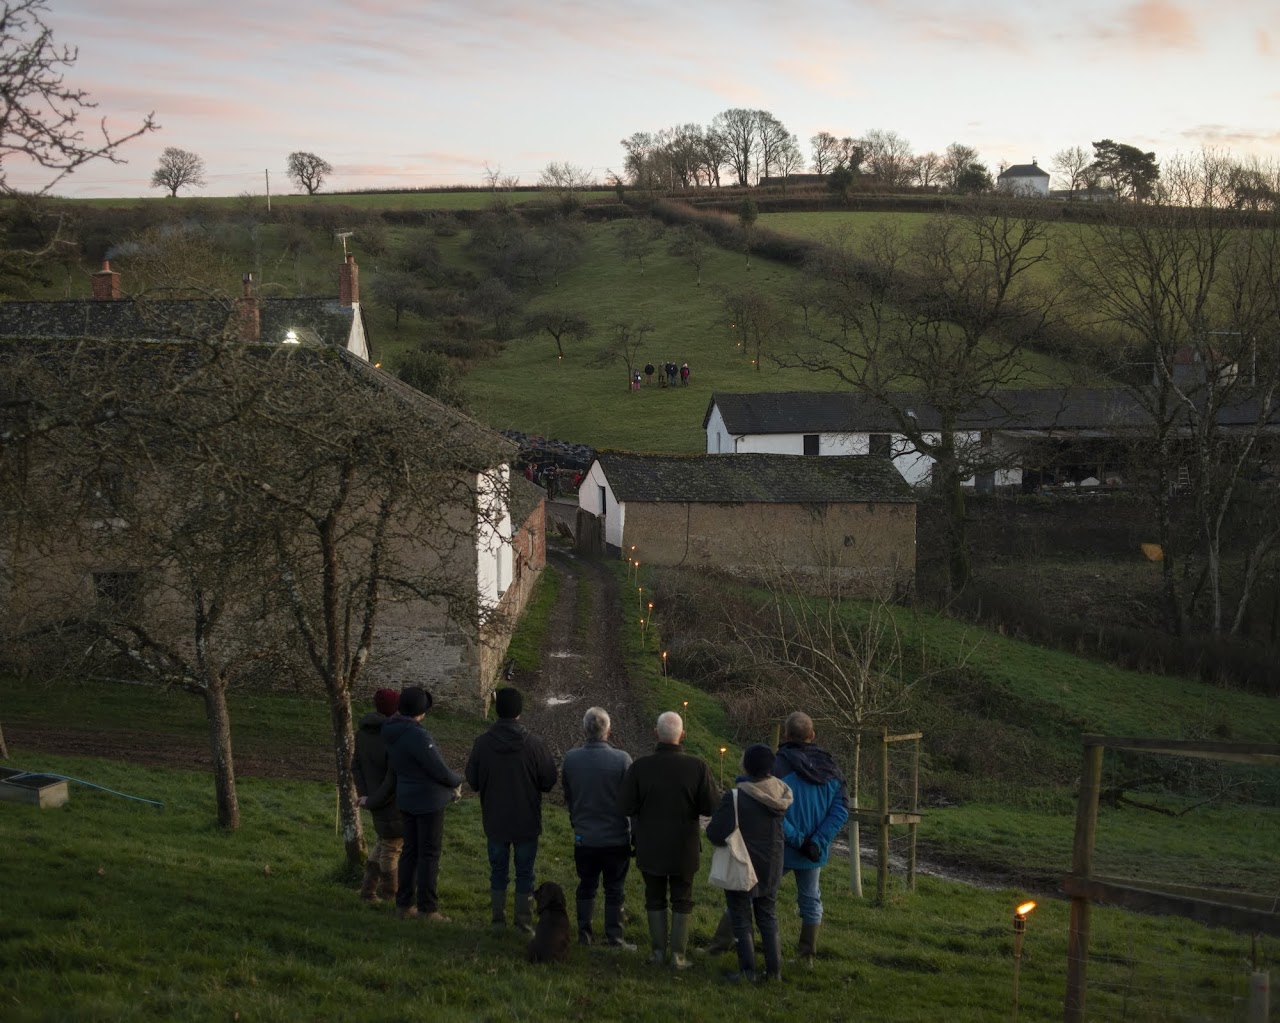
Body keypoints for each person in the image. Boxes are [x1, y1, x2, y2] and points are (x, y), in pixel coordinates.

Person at [618, 711, 717, 968]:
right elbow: (710, 807)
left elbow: (626, 805)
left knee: (654, 897)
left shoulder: (640, 767)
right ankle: (678, 955)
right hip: (684, 846)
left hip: (650, 844)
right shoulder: (697, 767)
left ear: (655, 734)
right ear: (682, 735)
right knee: (682, 898)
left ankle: (658, 952)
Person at [466, 687, 557, 933]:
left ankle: (497, 921)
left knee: (498, 870)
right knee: (525, 872)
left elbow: (472, 781)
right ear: (520, 711)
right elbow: (549, 781)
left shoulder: (482, 744)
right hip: (526, 819)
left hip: (495, 818)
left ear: (497, 710)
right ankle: (523, 923)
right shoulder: (534, 745)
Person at [706, 744, 794, 983]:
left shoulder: (736, 797)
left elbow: (714, 833)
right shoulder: (781, 794)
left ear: (747, 766)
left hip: (742, 865)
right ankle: (774, 972)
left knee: (741, 917)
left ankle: (747, 972)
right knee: (768, 916)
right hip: (772, 864)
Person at [382, 686, 462, 922]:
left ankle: (404, 903)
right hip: (428, 801)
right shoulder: (417, 735)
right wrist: (457, 780)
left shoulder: (391, 730)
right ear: (421, 711)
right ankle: (428, 908)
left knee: (410, 851)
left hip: (406, 796)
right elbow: (438, 768)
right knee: (428, 854)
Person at [773, 711, 849, 960]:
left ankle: (724, 943)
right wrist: (817, 841)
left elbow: (772, 810)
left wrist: (798, 839)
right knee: (810, 899)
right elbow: (840, 810)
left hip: (782, 846)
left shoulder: (777, 766)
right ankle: (807, 956)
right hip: (812, 851)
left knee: (756, 892)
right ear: (812, 735)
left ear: (786, 735)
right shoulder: (831, 768)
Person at [561, 706, 635, 949]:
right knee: (615, 889)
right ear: (609, 731)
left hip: (585, 836)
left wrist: (576, 821)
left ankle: (584, 934)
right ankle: (615, 937)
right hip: (616, 838)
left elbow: (569, 796)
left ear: (584, 730)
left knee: (586, 885)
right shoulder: (622, 760)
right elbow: (630, 802)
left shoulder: (571, 760)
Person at [353, 687, 403, 902]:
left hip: (373, 796)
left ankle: (367, 890)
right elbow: (394, 773)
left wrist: (366, 796)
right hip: (392, 798)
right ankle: (390, 892)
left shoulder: (363, 732)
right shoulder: (390, 736)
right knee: (392, 846)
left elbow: (355, 765)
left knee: (383, 842)